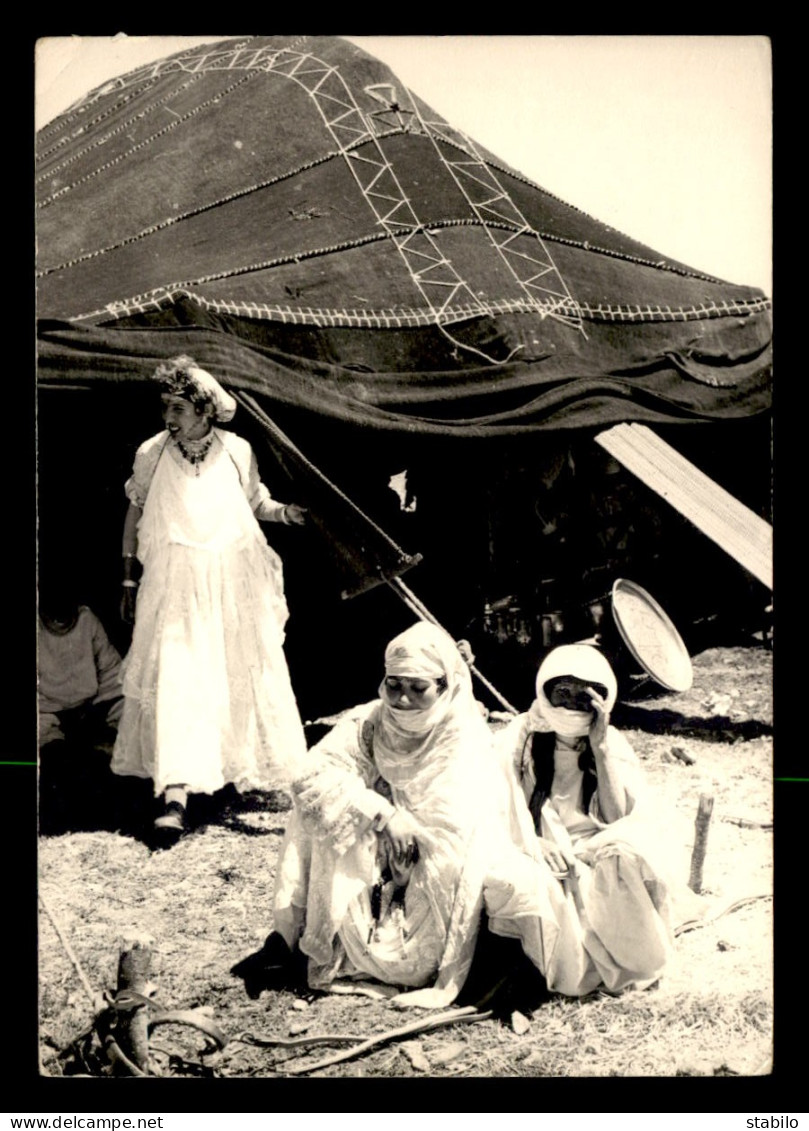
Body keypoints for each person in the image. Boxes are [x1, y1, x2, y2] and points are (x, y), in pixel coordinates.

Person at [232, 621, 556, 1008]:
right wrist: (381, 813)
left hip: (434, 868)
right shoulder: (370, 722)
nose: (401, 700)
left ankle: (409, 954)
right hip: (378, 849)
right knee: (314, 813)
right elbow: (309, 775)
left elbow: (459, 829)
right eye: (394, 685)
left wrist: (401, 871)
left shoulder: (462, 735)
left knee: (469, 867)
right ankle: (294, 944)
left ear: (446, 686)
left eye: (418, 689)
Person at [110, 355, 309, 843]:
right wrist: (128, 580)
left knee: (231, 672)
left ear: (204, 410)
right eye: (166, 408)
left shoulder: (238, 450)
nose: (169, 418)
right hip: (172, 584)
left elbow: (255, 502)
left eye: (178, 409)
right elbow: (134, 518)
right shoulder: (152, 453)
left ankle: (222, 775)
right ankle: (174, 795)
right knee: (178, 676)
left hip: (229, 581)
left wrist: (286, 515)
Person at [485, 643, 684, 996]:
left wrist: (600, 746)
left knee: (627, 855)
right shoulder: (519, 738)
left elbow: (617, 819)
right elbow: (498, 810)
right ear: (545, 690)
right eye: (563, 693)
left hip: (593, 847)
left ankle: (626, 962)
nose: (572, 705)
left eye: (585, 697)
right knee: (524, 883)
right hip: (535, 846)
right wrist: (535, 844)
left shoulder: (611, 741)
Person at [38, 574, 124, 833]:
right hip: (48, 712)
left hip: (91, 710)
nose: (60, 619)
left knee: (131, 721)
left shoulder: (87, 621)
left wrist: (114, 722)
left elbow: (112, 675)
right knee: (56, 761)